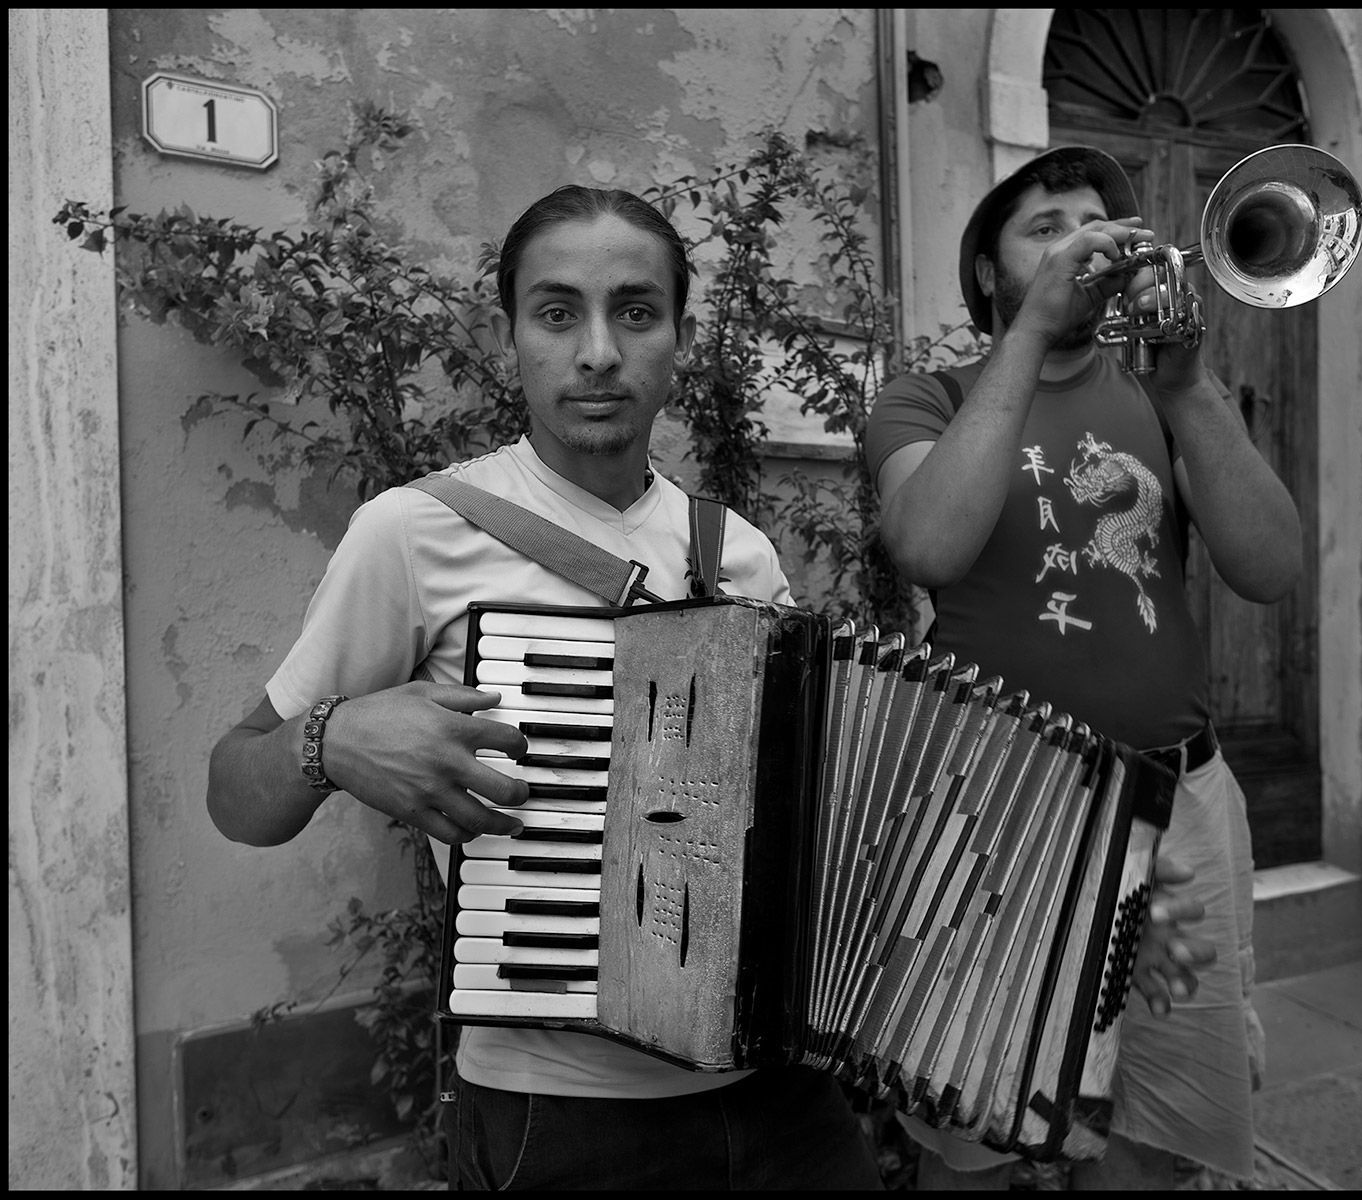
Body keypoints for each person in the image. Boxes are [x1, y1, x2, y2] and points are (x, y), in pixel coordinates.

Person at [205, 184, 886, 1190]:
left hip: (784, 1101)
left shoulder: (735, 551)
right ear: (509, 336)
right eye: (558, 313)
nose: (598, 352)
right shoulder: (415, 532)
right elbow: (235, 793)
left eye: (635, 312)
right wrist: (330, 739)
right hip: (557, 1119)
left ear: (681, 338)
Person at [865, 146, 1299, 1189]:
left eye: (1094, 222)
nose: (1079, 242)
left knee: (1157, 1137)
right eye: (1044, 228)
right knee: (966, 1132)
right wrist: (1027, 337)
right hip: (991, 816)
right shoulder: (926, 397)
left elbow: (1270, 567)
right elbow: (927, 546)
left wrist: (1186, 386)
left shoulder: (1163, 396)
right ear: (988, 272)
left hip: (1173, 815)